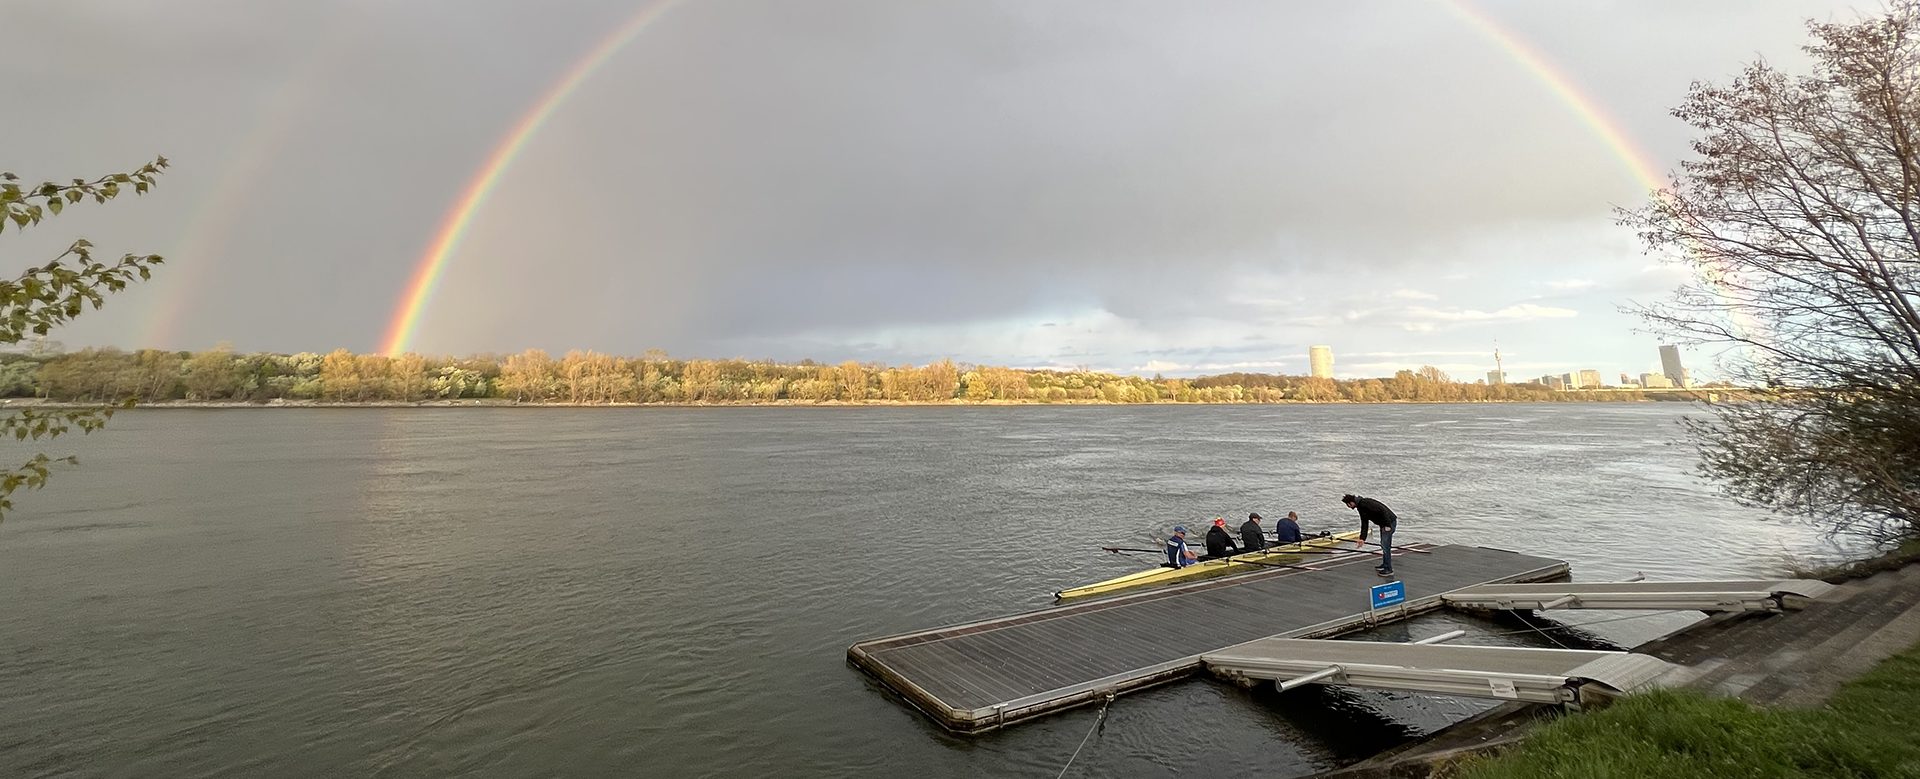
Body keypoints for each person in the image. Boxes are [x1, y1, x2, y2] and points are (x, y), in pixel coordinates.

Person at [1342, 494, 1398, 576]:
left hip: (1389, 523)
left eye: (1348, 505)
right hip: (1384, 524)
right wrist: (1362, 539)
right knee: (1383, 545)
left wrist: (1387, 525)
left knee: (1386, 546)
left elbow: (1382, 510)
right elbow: (1364, 523)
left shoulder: (1366, 503)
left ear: (1352, 502)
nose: (1349, 507)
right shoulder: (1360, 507)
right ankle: (1385, 565)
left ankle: (1389, 570)